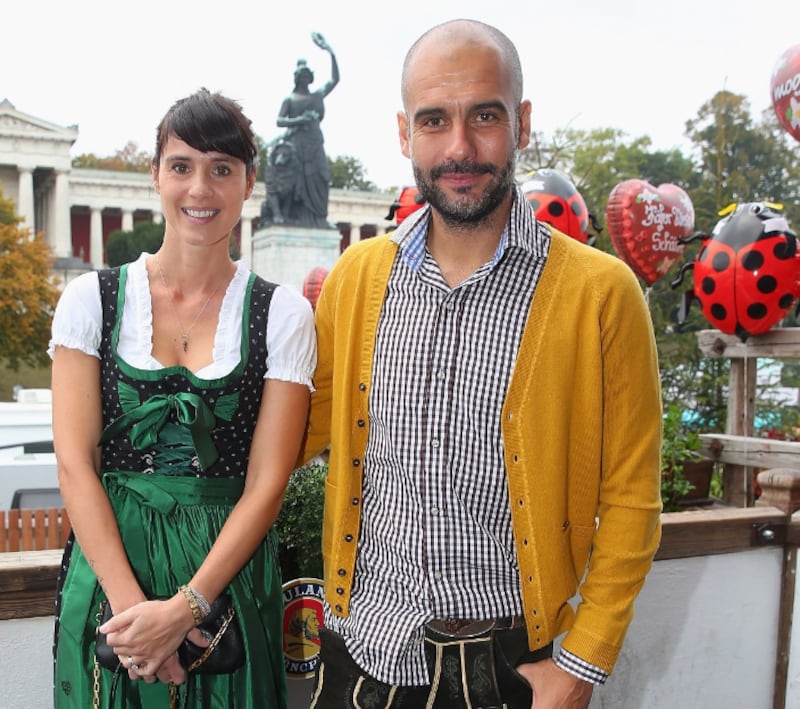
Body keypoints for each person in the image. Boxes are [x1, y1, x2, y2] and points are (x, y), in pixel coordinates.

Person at [299, 19, 663, 709]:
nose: (460, 146)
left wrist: (580, 665)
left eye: (485, 116)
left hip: (513, 670)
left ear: (522, 123)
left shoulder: (599, 293)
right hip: (361, 659)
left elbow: (632, 498)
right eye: (434, 120)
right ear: (405, 134)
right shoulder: (357, 280)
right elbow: (290, 434)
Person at [50, 88, 316, 708]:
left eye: (222, 169)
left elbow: (267, 484)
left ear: (248, 183)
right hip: (111, 572)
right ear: (156, 176)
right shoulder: (92, 300)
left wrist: (185, 609)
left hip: (227, 580)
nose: (201, 188)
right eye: (182, 166)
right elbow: (74, 463)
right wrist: (133, 612)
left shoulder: (281, 314)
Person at [271, 31, 339, 228]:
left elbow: (335, 79)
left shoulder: (317, 95)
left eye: (307, 76)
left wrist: (330, 52)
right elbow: (279, 121)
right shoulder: (290, 100)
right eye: (301, 76)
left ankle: (319, 219)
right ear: (297, 78)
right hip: (296, 146)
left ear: (310, 78)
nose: (304, 78)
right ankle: (295, 217)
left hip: (315, 143)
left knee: (321, 178)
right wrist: (301, 119)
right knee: (295, 184)